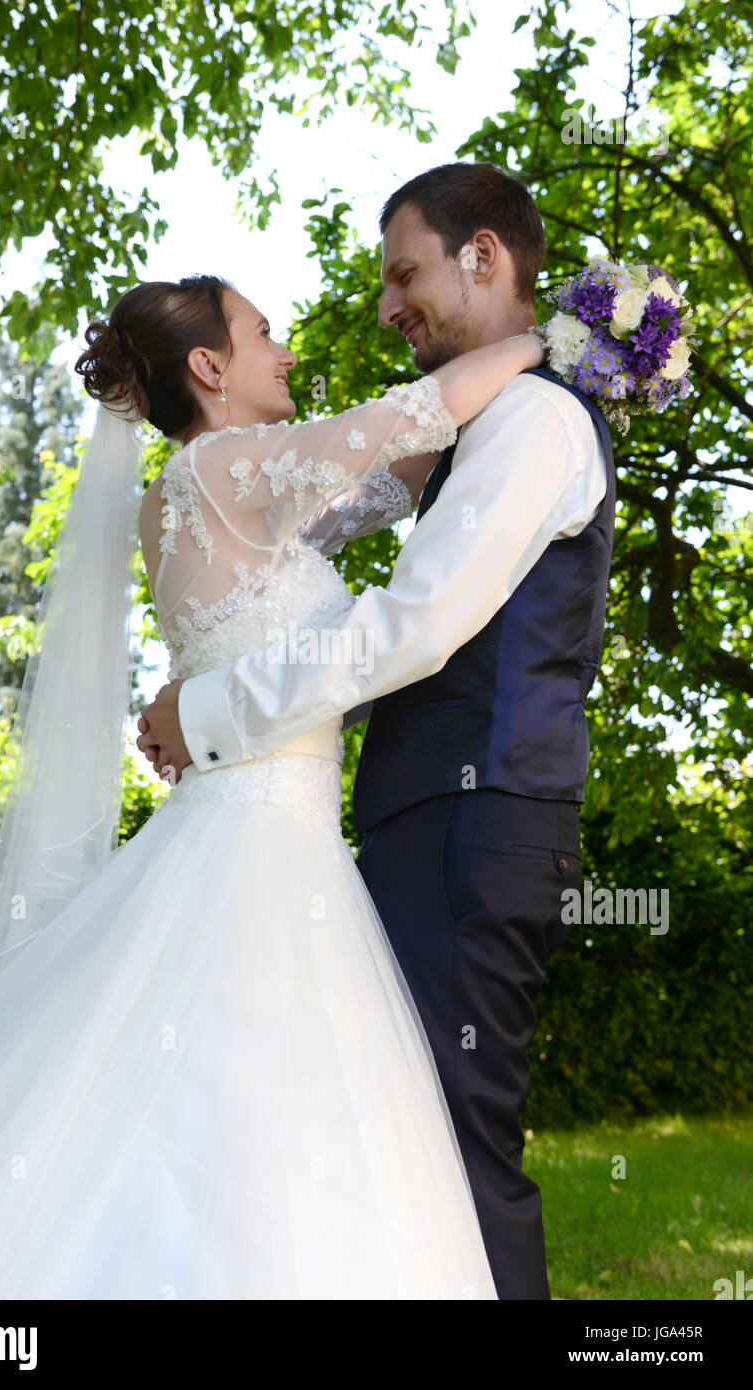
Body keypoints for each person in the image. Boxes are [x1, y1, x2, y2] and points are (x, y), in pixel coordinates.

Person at [0, 269, 543, 1299]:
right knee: (264, 1124)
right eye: (265, 333)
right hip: (266, 853)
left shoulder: (200, 495)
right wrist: (543, 343)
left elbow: (391, 480)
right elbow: (395, 423)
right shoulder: (228, 464)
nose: (286, 352)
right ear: (209, 366)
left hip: (248, 830)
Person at [138, 163, 617, 1301]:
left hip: (470, 822)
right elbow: (373, 474)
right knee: (382, 1156)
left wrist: (200, 711)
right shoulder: (459, 425)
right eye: (265, 334)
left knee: (453, 1158)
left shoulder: (537, 418)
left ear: (484, 257)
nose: (384, 306)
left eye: (405, 274)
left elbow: (411, 632)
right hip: (394, 828)